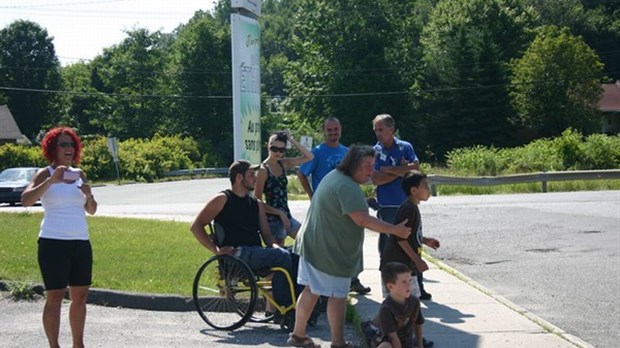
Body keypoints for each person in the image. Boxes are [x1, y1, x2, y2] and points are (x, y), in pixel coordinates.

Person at [288, 145, 411, 348]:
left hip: (311, 244)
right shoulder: (347, 186)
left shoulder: (334, 176)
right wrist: (395, 229)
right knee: (337, 296)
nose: (371, 171)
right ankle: (338, 343)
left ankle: (298, 335)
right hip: (328, 252)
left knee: (311, 290)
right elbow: (363, 220)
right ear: (353, 165)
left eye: (373, 166)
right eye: (367, 166)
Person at [21, 126, 98, 348]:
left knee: (80, 298)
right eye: (63, 144)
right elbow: (25, 200)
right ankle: (54, 345)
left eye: (71, 144)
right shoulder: (44, 173)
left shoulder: (79, 174)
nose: (69, 148)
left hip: (80, 242)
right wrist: (51, 181)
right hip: (53, 242)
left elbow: (91, 210)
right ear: (52, 148)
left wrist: (89, 195)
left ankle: (78, 344)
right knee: (54, 298)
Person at [189, 160, 293, 310]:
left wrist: (277, 247)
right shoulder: (223, 199)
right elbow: (195, 226)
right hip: (238, 254)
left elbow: (268, 237)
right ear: (239, 178)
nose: (255, 179)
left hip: (255, 252)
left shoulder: (255, 203)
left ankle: (290, 304)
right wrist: (216, 250)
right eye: (251, 175)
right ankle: (285, 306)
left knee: (294, 253)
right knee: (283, 256)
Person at [297, 117, 370, 295]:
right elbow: (301, 173)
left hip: (346, 205)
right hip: (327, 207)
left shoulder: (347, 152)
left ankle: (354, 278)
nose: (333, 133)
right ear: (324, 131)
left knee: (352, 239)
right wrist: (311, 195)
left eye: (335, 129)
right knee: (328, 243)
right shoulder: (317, 152)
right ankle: (325, 282)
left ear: (340, 129)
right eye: (329, 130)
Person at [371, 114, 430, 300]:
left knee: (413, 243)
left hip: (406, 204)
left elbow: (416, 170)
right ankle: (389, 288)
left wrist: (389, 169)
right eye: (375, 130)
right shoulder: (375, 151)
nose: (378, 134)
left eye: (381, 129)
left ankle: (418, 286)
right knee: (389, 246)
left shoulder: (405, 147)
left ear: (391, 129)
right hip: (386, 206)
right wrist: (401, 171)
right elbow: (376, 178)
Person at [380, 171, 439, 347]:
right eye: (425, 186)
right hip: (396, 269)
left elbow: (410, 234)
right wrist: (418, 261)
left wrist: (424, 240)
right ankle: (386, 335)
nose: (428, 190)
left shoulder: (413, 207)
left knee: (411, 305)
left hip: (406, 267)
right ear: (414, 190)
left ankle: (411, 339)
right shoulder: (408, 208)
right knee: (399, 306)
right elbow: (400, 238)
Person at [255, 130, 313, 246]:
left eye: (282, 150)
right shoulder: (262, 170)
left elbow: (309, 156)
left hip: (287, 216)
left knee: (308, 240)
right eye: (274, 149)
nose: (278, 153)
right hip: (273, 220)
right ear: (268, 146)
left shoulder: (283, 163)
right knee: (278, 256)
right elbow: (257, 201)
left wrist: (291, 140)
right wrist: (278, 213)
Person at [373, 262, 425, 348]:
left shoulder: (414, 302)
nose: (408, 285)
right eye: (403, 282)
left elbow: (418, 323)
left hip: (407, 344)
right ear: (390, 286)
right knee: (385, 346)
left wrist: (420, 345)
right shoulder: (386, 309)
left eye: (410, 280)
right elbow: (392, 337)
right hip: (390, 344)